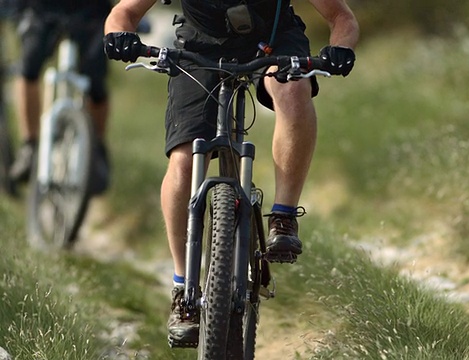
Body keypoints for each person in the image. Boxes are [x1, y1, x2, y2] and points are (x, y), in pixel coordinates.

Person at [103, 0, 359, 346]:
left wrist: (340, 49)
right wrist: (120, 37)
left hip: (273, 36)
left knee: (294, 91)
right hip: (199, 44)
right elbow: (124, 13)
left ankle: (283, 217)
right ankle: (183, 288)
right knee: (184, 159)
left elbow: (341, 17)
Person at [9, 0, 112, 194]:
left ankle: (96, 153)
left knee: (96, 83)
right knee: (28, 67)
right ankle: (29, 146)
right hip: (42, 7)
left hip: (92, 10)